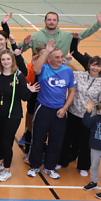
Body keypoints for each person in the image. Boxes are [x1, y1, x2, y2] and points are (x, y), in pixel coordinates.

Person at [0, 50, 38, 182]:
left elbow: (24, 97)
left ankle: (7, 170)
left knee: (6, 142)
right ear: (0, 61)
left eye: (8, 59)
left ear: (12, 61)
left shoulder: (18, 76)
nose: (6, 62)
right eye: (3, 59)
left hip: (12, 116)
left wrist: (29, 90)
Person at [27, 39, 76, 180]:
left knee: (56, 141)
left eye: (61, 57)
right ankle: (34, 166)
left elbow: (71, 91)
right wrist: (47, 51)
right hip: (43, 109)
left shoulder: (68, 71)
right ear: (50, 59)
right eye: (57, 57)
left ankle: (49, 167)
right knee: (38, 138)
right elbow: (35, 69)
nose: (61, 59)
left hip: (59, 111)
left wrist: (65, 108)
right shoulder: (44, 69)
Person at [58, 56, 101, 175]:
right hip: (73, 112)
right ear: (89, 65)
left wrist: (100, 117)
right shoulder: (78, 75)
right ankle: (62, 161)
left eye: (98, 66)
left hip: (89, 116)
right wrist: (66, 60)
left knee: (85, 142)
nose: (95, 68)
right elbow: (63, 70)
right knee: (67, 138)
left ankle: (83, 166)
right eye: (93, 65)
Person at [18, 10, 101, 53]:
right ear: (45, 21)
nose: (51, 22)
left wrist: (98, 24)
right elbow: (18, 51)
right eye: (49, 20)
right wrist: (25, 44)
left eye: (54, 20)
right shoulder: (35, 36)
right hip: (39, 71)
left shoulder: (67, 35)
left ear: (58, 22)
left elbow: (86, 33)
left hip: (59, 71)